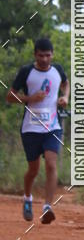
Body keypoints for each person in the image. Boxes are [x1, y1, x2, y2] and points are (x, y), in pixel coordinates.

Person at [6, 37, 69, 223]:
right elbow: (10, 96)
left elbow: (65, 83)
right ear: (35, 55)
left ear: (52, 55)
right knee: (33, 170)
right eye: (41, 55)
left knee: (51, 163)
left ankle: (47, 207)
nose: (44, 59)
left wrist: (65, 97)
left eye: (47, 55)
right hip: (31, 128)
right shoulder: (26, 72)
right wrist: (29, 99)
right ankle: (27, 198)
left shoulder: (57, 70)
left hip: (52, 126)